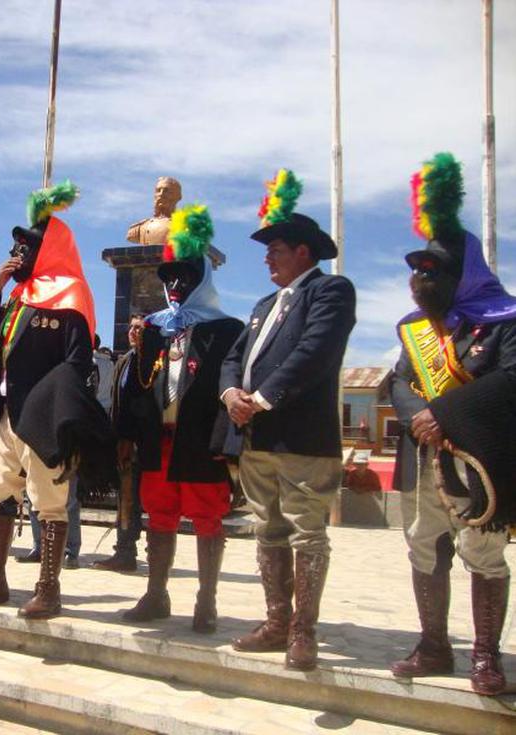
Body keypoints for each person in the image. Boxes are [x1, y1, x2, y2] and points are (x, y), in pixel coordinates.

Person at [389, 153, 515, 696]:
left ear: (462, 274)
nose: (420, 279)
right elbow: (393, 383)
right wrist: (420, 418)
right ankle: (433, 645)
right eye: (417, 270)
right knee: (423, 545)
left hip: (479, 462)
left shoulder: (506, 321)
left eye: (431, 270)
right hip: (424, 459)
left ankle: (485, 657)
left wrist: (443, 414)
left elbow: (510, 379)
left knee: (481, 554)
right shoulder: (416, 330)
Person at [0, 181, 111, 620]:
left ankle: (48, 588)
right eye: (15, 246)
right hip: (9, 411)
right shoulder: (22, 297)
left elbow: (78, 362)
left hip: (43, 416)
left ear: (48, 249)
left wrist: (50, 405)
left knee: (49, 500)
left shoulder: (72, 295)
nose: (16, 253)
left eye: (25, 247)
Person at [219, 169, 356, 670]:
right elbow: (234, 357)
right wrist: (232, 392)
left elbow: (314, 351)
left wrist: (264, 396)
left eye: (275, 248)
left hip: (302, 439)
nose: (266, 257)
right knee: (267, 529)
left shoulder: (331, 291)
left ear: (303, 251)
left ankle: (304, 631)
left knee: (307, 532)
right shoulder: (261, 306)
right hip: (257, 440)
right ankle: (276, 622)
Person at [117, 203, 243, 632]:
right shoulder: (153, 328)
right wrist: (137, 351)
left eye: (183, 277)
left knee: (207, 517)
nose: (174, 285)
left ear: (200, 278)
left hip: (201, 441)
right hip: (160, 440)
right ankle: (156, 594)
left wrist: (228, 448)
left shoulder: (227, 330)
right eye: (168, 277)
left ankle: (206, 601)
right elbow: (139, 387)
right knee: (159, 515)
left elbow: (229, 389)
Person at [92, 314, 145, 573]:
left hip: (140, 442)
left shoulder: (151, 362)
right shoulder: (124, 360)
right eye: (131, 327)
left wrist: (133, 437)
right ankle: (125, 551)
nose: (134, 332)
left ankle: (133, 550)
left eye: (139, 328)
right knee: (126, 498)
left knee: (137, 498)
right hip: (121, 440)